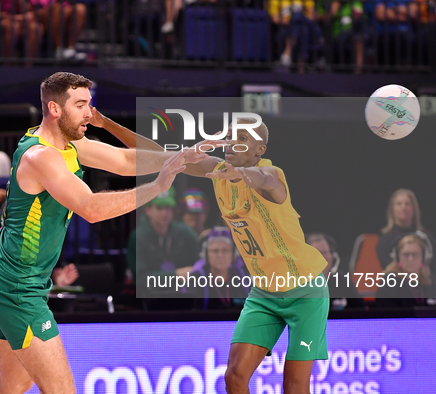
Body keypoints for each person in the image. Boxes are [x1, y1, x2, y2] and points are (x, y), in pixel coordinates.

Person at [0, 71, 193, 394]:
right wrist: (157, 187)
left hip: (6, 275)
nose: (89, 114)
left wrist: (183, 158)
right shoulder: (41, 157)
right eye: (80, 105)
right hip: (16, 286)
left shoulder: (69, 144)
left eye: (89, 104)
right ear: (54, 109)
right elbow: (90, 209)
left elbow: (123, 160)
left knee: (15, 381)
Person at [96, 113, 329, 393]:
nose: (232, 143)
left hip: (304, 291)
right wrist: (106, 124)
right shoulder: (217, 171)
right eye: (229, 137)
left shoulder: (272, 174)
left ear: (260, 150)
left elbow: (265, 179)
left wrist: (242, 174)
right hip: (265, 292)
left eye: (242, 139)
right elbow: (158, 155)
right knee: (234, 377)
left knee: (294, 385)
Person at [126, 186, 200, 285]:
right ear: (147, 210)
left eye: (168, 207)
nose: (165, 213)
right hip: (150, 297)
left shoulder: (186, 232)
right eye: (159, 208)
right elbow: (140, 280)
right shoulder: (138, 237)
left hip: (185, 294)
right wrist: (176, 275)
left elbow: (201, 265)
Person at [189, 226, 249, 310]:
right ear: (206, 254)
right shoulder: (196, 278)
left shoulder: (243, 277)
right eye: (215, 251)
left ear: (233, 253)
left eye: (225, 250)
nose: (220, 255)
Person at [376, 188, 435, 269]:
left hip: (424, 279)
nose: (403, 207)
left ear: (414, 208)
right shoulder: (385, 240)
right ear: (392, 209)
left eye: (407, 204)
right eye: (399, 204)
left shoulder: (425, 237)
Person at [376, 233, 436, 307]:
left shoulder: (431, 281)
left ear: (423, 257)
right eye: (406, 254)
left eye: (415, 254)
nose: (410, 259)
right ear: (398, 258)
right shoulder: (390, 281)